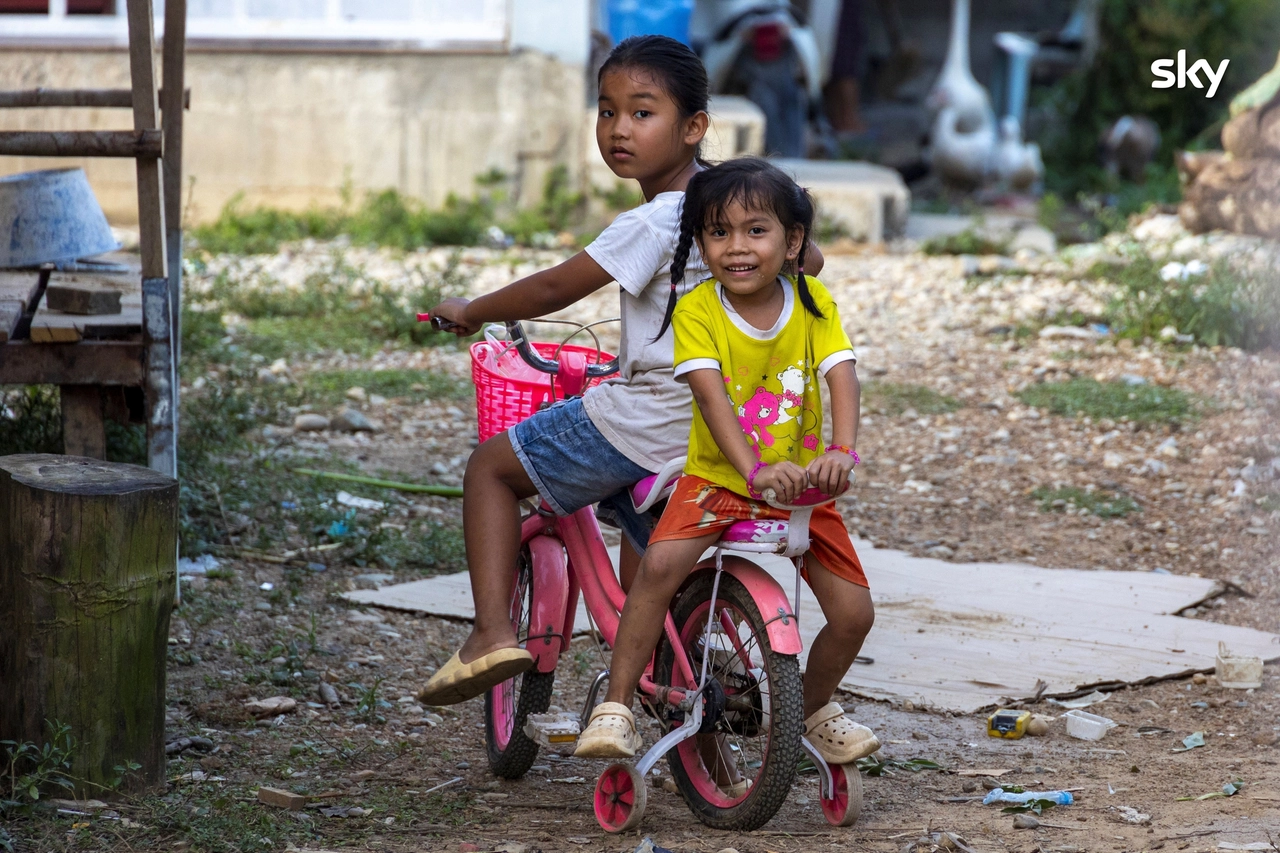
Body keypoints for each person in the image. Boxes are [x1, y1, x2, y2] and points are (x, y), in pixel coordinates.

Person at [418, 36, 745, 706]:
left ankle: (489, 632)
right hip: (738, 425)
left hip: (656, 416)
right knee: (645, 543)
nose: (619, 129)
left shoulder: (657, 219)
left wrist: (474, 309)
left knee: (490, 467)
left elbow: (550, 292)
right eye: (606, 111)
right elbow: (813, 259)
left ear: (693, 127)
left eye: (642, 112)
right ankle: (669, 702)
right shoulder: (740, 207)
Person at [574, 158, 879, 771]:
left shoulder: (814, 300)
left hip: (800, 490)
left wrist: (841, 451)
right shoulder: (697, 312)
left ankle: (811, 711)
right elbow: (712, 400)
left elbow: (840, 374)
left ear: (793, 241)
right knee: (657, 568)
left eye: (756, 230)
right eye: (718, 233)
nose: (737, 247)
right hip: (720, 480)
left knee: (854, 614)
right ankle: (616, 705)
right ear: (700, 244)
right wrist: (752, 469)